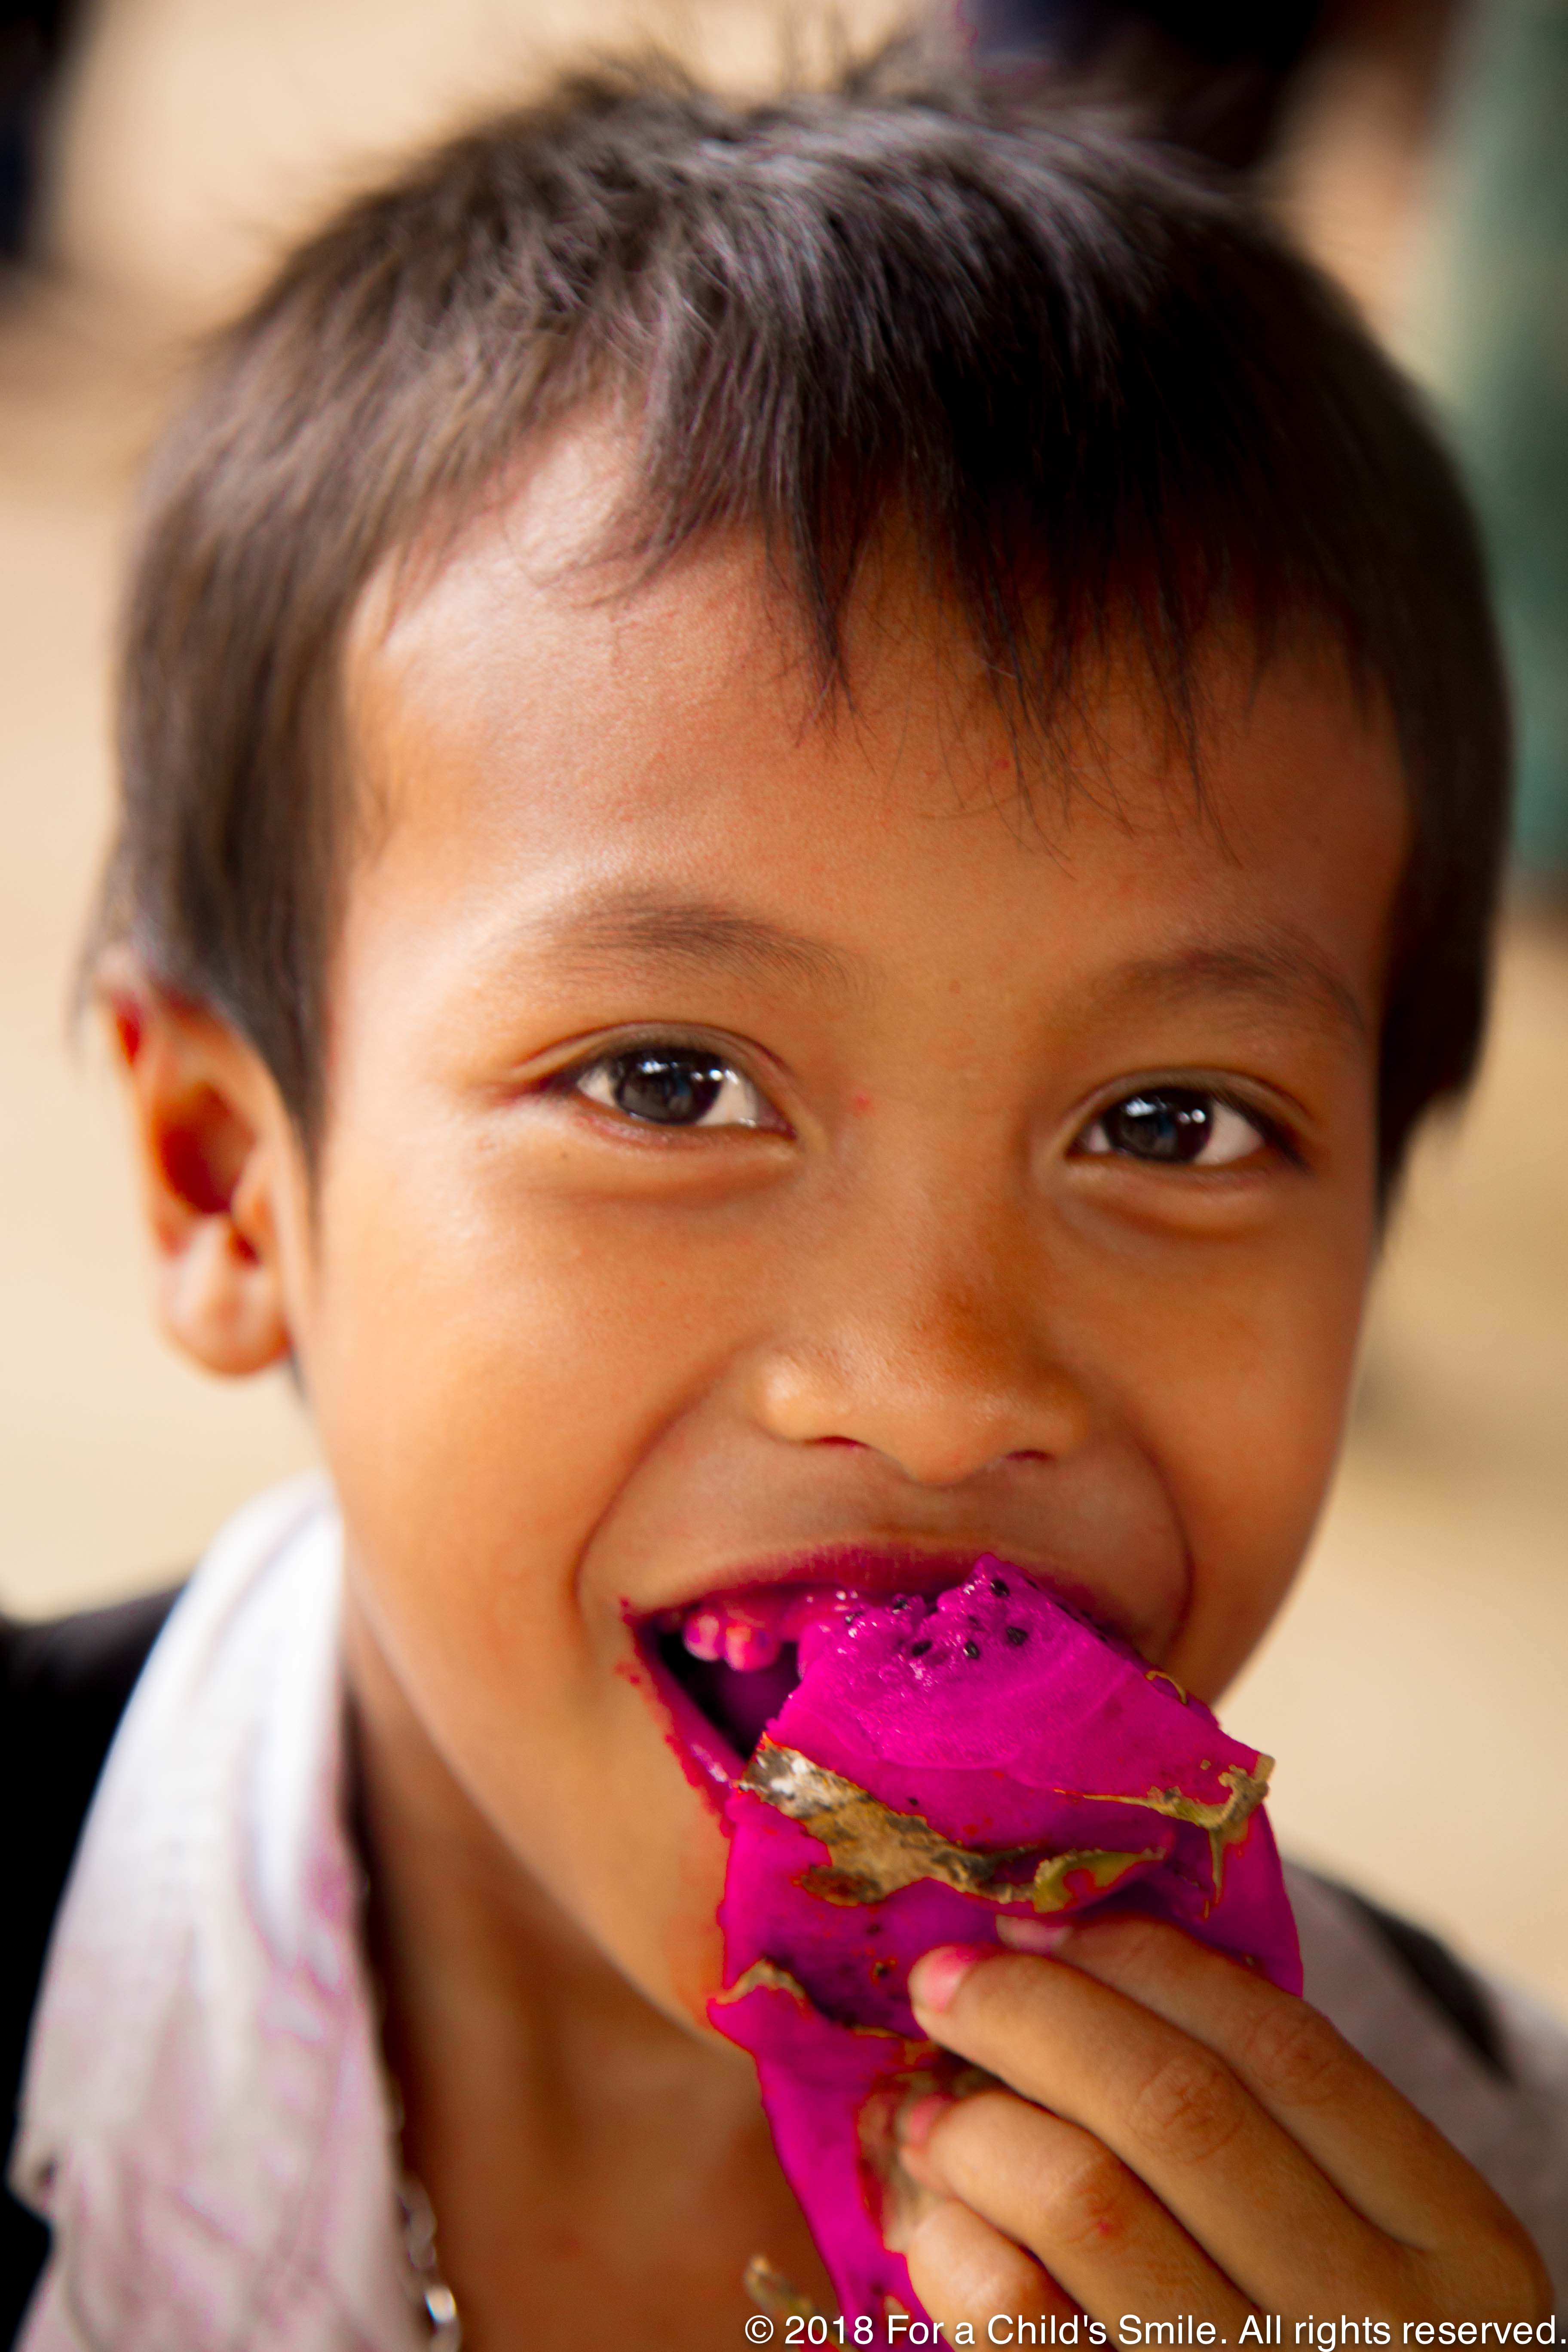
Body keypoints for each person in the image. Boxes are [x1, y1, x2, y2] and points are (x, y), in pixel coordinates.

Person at [2, 40, 1562, 2351]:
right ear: (233, 1182)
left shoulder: (1492, 2200)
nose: (940, 1389)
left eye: (1171, 1127)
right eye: (667, 1079)